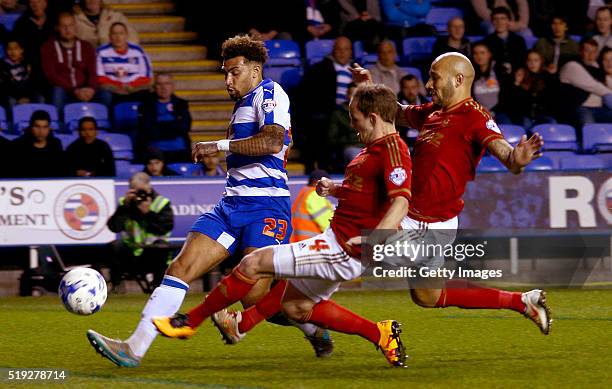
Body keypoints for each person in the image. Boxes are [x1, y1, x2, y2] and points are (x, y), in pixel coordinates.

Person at [86, 35, 331, 367]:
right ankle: (133, 348)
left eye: (235, 72)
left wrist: (219, 146)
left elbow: (273, 141)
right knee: (180, 268)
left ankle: (312, 325)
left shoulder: (271, 93)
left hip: (266, 208)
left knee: (254, 298)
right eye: (225, 73)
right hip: (231, 207)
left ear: (255, 70)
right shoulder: (241, 104)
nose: (228, 80)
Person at [152, 83, 410, 368]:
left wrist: (377, 238)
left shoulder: (392, 150)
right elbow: (368, 193)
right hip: (339, 240)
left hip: (344, 247)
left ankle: (190, 321)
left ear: (373, 118)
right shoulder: (372, 150)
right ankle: (381, 334)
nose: (352, 125)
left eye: (355, 118)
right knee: (296, 307)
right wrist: (335, 189)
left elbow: (400, 201)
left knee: (253, 264)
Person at [349, 53, 551, 336]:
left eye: (434, 76)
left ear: (458, 80)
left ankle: (299, 307)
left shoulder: (475, 116)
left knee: (351, 251)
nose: (428, 83)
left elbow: (507, 155)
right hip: (423, 219)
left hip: (426, 223)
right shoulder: (432, 112)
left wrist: (517, 159)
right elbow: (393, 111)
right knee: (427, 296)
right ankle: (522, 301)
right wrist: (368, 87)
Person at [106, 172, 174, 293]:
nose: (138, 194)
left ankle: (158, 289)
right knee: (114, 246)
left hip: (152, 253)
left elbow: (165, 228)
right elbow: (114, 227)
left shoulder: (161, 203)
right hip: (131, 252)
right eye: (133, 189)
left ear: (149, 186)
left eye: (140, 190)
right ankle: (116, 286)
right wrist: (125, 207)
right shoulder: (125, 203)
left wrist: (148, 213)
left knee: (161, 248)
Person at [299, 36, 354, 172]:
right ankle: (320, 167)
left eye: (346, 49)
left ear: (351, 52)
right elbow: (309, 96)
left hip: (351, 113)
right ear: (333, 51)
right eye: (338, 49)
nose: (342, 53)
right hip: (327, 113)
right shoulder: (319, 69)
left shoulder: (357, 71)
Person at [41, 12, 99, 112]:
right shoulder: (48, 47)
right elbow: (51, 76)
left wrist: (91, 88)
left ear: (75, 27)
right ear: (57, 28)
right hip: (62, 90)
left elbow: (92, 73)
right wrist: (74, 90)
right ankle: (58, 124)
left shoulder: (86, 47)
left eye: (70, 25)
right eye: (63, 26)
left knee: (105, 94)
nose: (67, 29)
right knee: (57, 91)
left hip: (84, 89)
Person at [136, 73, 191, 163]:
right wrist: (173, 126)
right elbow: (147, 129)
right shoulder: (145, 105)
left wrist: (159, 127)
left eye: (167, 83)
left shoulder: (181, 104)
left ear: (172, 86)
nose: (163, 87)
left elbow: (185, 127)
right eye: (159, 84)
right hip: (154, 151)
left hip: (180, 151)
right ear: (154, 87)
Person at [96, 22, 153, 106]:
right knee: (104, 95)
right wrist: (118, 86)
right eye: (114, 34)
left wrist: (131, 86)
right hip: (112, 90)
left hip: (134, 89)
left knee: (149, 96)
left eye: (121, 33)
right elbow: (99, 77)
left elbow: (146, 76)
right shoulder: (101, 52)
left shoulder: (138, 51)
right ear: (109, 36)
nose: (118, 37)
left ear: (126, 35)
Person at [559, 38, 612, 126]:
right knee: (589, 127)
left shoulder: (598, 69)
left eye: (594, 52)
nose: (591, 55)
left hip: (599, 109)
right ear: (580, 51)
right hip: (580, 108)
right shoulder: (572, 66)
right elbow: (597, 88)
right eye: (587, 51)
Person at [504, 51, 559, 128]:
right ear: (526, 62)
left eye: (536, 60)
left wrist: (553, 75)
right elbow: (512, 103)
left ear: (541, 62)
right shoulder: (520, 76)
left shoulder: (547, 77)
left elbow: (554, 98)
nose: (532, 63)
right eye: (529, 60)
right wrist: (517, 83)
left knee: (551, 123)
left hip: (542, 115)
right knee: (526, 124)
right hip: (524, 116)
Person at [12, 110, 65, 178]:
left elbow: (60, 170)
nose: (41, 131)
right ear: (31, 127)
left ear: (49, 128)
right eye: (37, 126)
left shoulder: (56, 144)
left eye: (45, 127)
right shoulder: (18, 145)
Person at [289, 169, 335, 243]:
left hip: (302, 243)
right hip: (313, 244)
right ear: (318, 182)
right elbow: (327, 224)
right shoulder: (314, 195)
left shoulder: (304, 193)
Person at [471, 41, 512, 120]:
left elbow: (506, 96)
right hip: (477, 112)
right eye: (476, 53)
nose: (479, 56)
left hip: (500, 112)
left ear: (489, 54)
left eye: (482, 53)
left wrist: (493, 111)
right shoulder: (469, 73)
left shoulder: (500, 71)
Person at [73, 0, 139, 48]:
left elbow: (133, 38)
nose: (92, 0)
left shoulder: (115, 16)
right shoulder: (74, 19)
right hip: (86, 61)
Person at [0, 38, 44, 107]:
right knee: (11, 101)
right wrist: (18, 98)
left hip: (29, 94)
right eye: (9, 49)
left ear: (21, 50)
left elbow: (34, 82)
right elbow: (5, 86)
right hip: (12, 95)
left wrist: (27, 97)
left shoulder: (29, 63)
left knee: (40, 98)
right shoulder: (2, 65)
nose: (12, 52)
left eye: (16, 48)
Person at [483, 7, 527, 75]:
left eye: (503, 18)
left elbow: (523, 61)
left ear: (508, 21)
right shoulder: (486, 42)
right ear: (492, 22)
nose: (499, 22)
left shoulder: (519, 40)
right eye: (495, 19)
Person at [328, 82, 362, 170]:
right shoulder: (338, 114)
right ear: (347, 94)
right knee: (356, 156)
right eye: (352, 94)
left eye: (357, 94)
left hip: (367, 146)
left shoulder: (368, 112)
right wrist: (349, 137)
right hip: (349, 147)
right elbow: (332, 138)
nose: (354, 98)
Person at [13, 0, 53, 64]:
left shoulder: (53, 20)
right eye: (32, 2)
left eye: (39, 1)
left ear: (45, 4)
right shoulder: (21, 24)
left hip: (52, 62)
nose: (35, 5)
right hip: (31, 64)